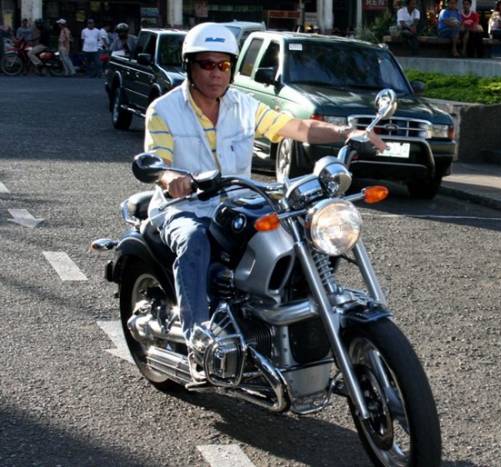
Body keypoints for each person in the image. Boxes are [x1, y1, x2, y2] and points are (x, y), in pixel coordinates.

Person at [143, 23, 386, 381]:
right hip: (183, 206)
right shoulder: (164, 109)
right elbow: (158, 162)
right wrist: (171, 179)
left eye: (223, 65)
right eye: (206, 65)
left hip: (237, 199)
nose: (215, 73)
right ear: (189, 67)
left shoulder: (243, 105)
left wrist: (346, 132)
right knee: (193, 240)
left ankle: (288, 312)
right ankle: (198, 338)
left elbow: (295, 127)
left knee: (302, 226)